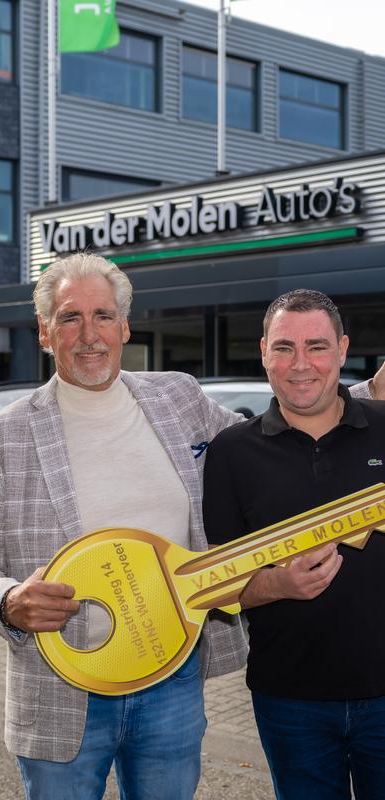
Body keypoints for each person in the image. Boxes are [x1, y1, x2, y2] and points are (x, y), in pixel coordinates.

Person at [0, 253, 247, 800]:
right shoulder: (4, 435)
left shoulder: (178, 398)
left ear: (125, 326)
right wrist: (9, 601)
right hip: (59, 688)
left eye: (103, 316)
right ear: (45, 331)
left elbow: (267, 446)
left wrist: (363, 397)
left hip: (172, 677)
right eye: (70, 317)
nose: (89, 335)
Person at [203, 288, 385, 800]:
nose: (300, 364)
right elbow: (218, 587)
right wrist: (276, 585)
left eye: (317, 346)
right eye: (284, 347)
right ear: (264, 352)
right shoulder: (231, 452)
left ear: (343, 350)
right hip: (290, 700)